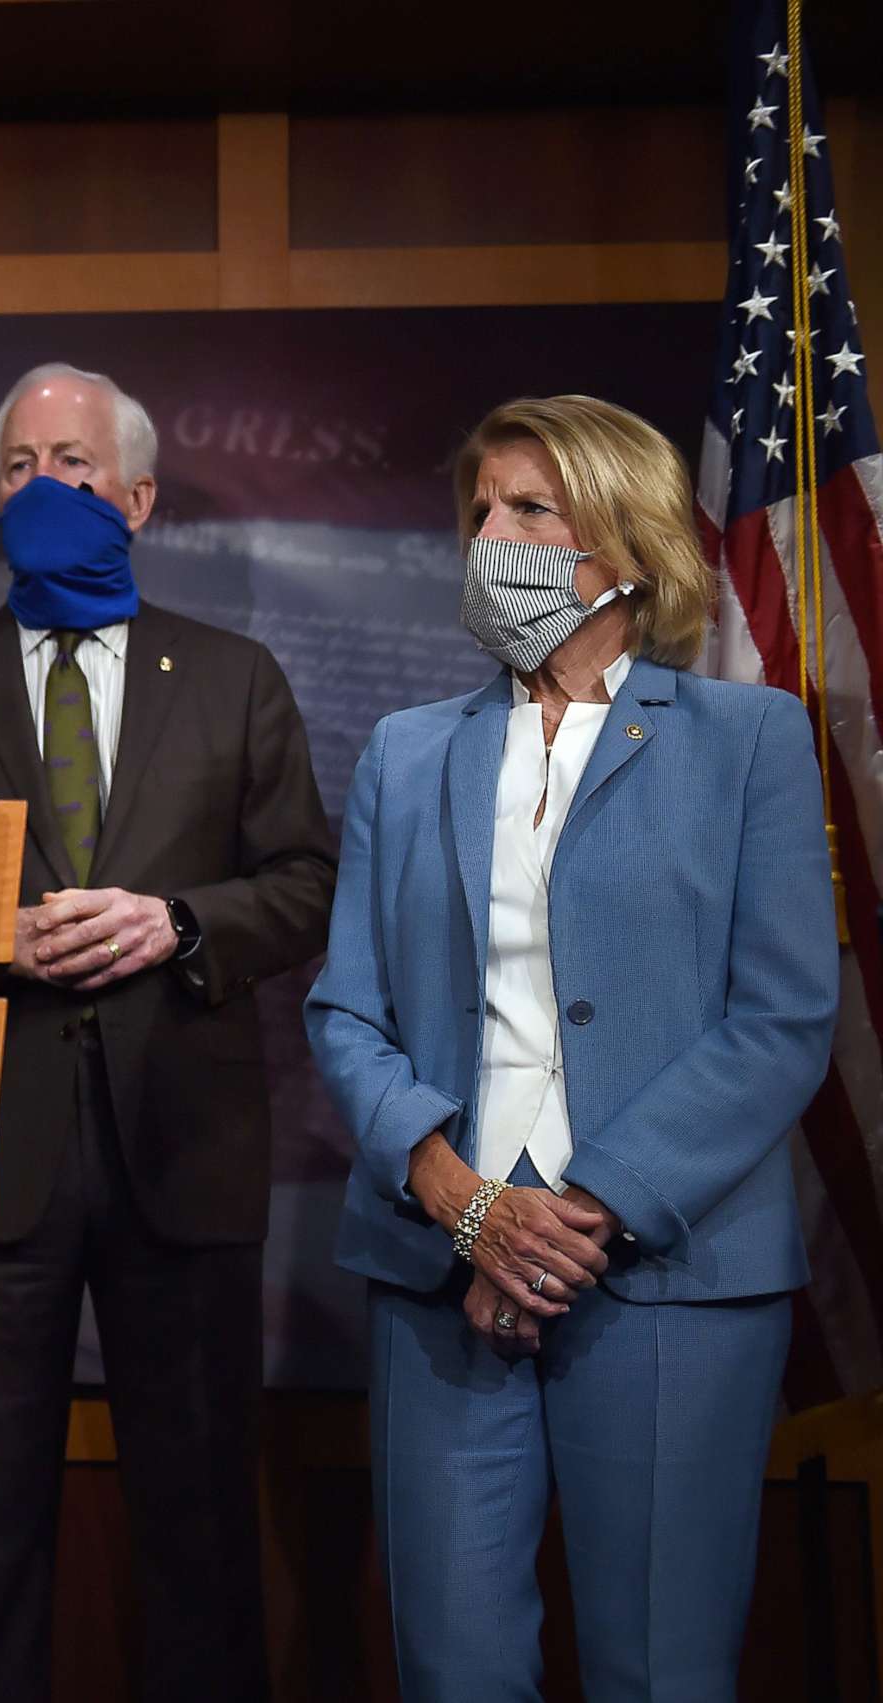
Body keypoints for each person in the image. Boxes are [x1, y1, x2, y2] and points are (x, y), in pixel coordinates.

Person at [306, 394, 837, 1701]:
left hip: (672, 1285)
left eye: (530, 509)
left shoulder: (749, 741)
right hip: (442, 1280)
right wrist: (463, 1201)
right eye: (481, 510)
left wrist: (567, 1220)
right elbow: (346, 1011)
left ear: (631, 541)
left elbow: (782, 1016)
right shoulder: (406, 749)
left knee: (663, 1669)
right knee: (452, 1669)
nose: (493, 535)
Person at [0, 362, 335, 1703]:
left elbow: (304, 881)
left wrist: (177, 922)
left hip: (181, 1160)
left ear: (137, 496)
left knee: (197, 1528)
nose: (43, 488)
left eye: (71, 464)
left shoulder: (235, 677)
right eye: (18, 465)